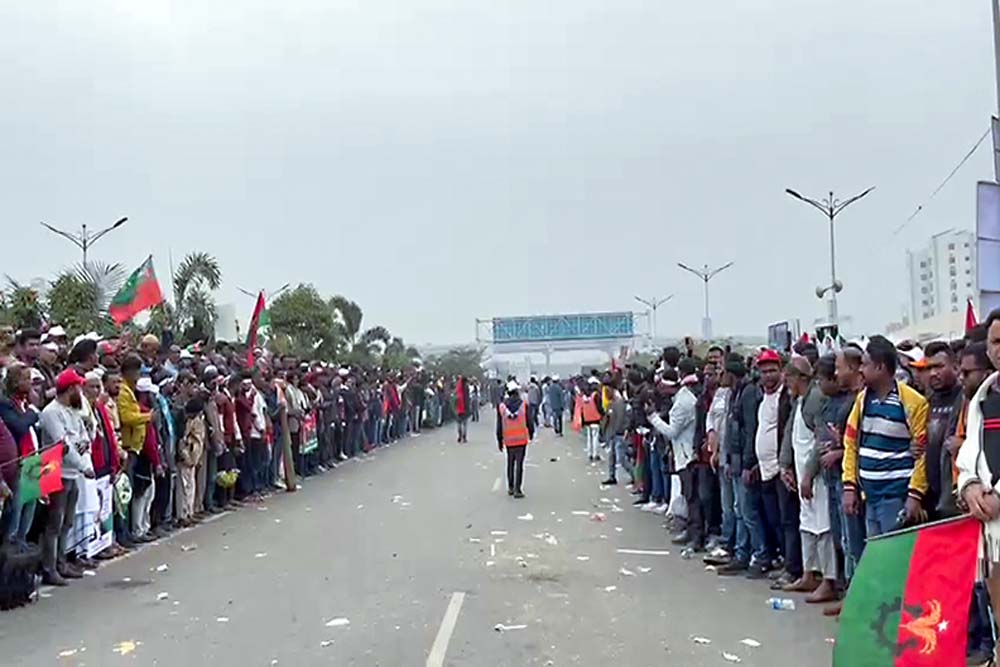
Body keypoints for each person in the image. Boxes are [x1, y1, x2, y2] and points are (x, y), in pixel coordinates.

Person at [842, 335, 929, 539]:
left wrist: (915, 495)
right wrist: (850, 486)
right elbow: (851, 444)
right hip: (869, 497)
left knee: (895, 554)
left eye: (865, 364)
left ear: (880, 367)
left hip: (896, 498)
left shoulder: (913, 403)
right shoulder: (862, 401)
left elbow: (922, 455)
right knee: (877, 552)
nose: (860, 370)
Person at [957, 309, 1000, 661]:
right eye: (997, 341)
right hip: (992, 530)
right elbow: (969, 454)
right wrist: (970, 485)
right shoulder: (982, 400)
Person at [782, 357, 837, 603]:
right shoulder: (799, 401)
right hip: (801, 471)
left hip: (817, 477)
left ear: (799, 378)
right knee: (807, 524)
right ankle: (809, 573)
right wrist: (785, 465)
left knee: (823, 526)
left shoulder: (815, 399)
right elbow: (790, 435)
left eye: (789, 377)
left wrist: (808, 474)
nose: (786, 382)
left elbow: (820, 440)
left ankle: (828, 579)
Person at [38, 369, 95, 585]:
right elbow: (63, 445)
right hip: (55, 471)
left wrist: (83, 453)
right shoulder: (51, 412)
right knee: (54, 522)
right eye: (78, 387)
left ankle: (61, 561)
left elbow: (83, 438)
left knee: (67, 521)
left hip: (71, 473)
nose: (80, 391)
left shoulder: (72, 411)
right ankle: (49, 567)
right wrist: (83, 466)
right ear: (70, 388)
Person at [647, 364, 700, 549]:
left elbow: (672, 432)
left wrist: (653, 418)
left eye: (662, 386)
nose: (660, 390)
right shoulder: (681, 398)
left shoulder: (682, 404)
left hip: (687, 456)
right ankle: (691, 532)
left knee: (692, 498)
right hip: (683, 453)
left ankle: (695, 536)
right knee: (689, 496)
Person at [921, 340, 961, 517]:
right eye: (928, 368)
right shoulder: (927, 402)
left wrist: (963, 444)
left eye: (939, 366)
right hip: (932, 496)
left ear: (955, 367)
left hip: (956, 496)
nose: (933, 373)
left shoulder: (966, 399)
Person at [496, 381, 534, 498]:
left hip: (508, 440)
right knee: (519, 465)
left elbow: (499, 426)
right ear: (517, 392)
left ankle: (511, 487)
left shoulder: (502, 407)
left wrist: (499, 440)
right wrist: (531, 433)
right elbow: (529, 421)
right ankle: (518, 489)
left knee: (510, 463)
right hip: (521, 440)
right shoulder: (523, 405)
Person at [602, 377, 632, 486]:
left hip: (619, 434)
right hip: (613, 434)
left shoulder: (620, 403)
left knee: (621, 458)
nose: (605, 394)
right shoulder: (612, 403)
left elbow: (621, 419)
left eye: (607, 391)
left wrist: (619, 431)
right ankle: (612, 476)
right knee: (612, 457)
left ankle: (635, 476)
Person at [580, 377, 604, 462]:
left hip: (587, 419)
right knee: (595, 437)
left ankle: (589, 454)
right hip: (595, 419)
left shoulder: (584, 397)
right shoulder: (596, 395)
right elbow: (599, 407)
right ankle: (595, 454)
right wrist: (603, 414)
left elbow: (582, 409)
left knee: (589, 438)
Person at [454, 375, 471, 443]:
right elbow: (468, 398)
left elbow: (455, 398)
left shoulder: (458, 388)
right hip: (465, 407)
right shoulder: (466, 388)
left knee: (459, 423)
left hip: (459, 408)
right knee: (465, 423)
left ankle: (459, 436)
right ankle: (464, 437)